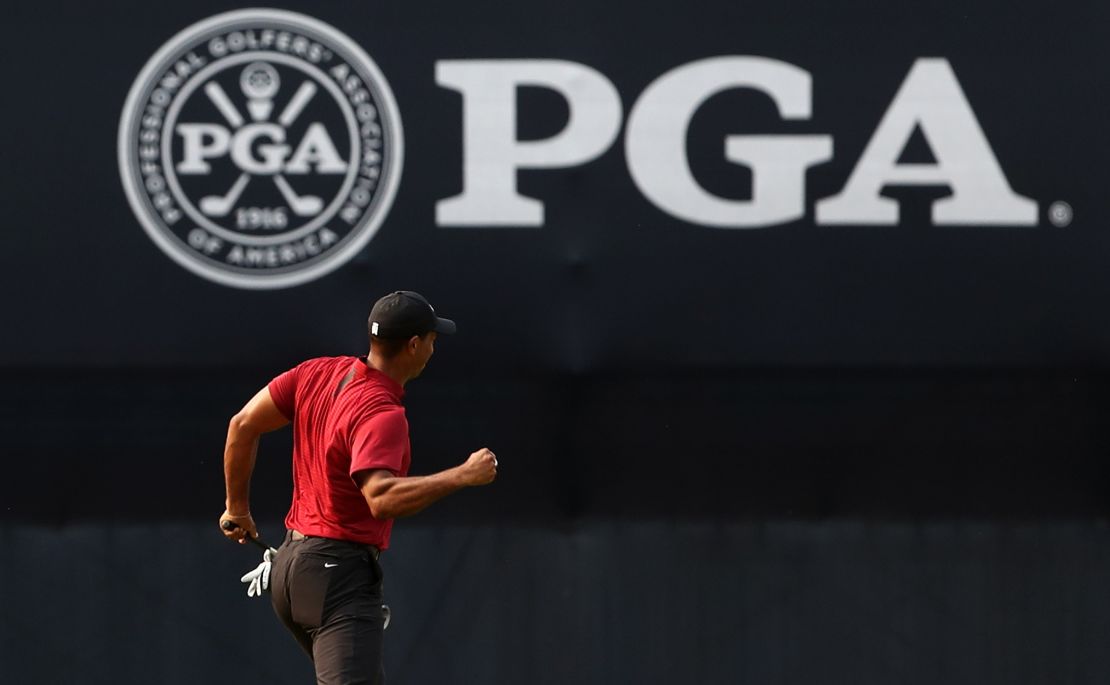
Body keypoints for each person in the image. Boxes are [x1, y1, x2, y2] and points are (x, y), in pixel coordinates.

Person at [219, 290, 498, 684]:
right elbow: (381, 498)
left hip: (291, 571)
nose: (434, 349)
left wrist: (237, 508)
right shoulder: (383, 412)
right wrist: (462, 475)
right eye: (432, 341)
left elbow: (242, 425)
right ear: (414, 345)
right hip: (336, 574)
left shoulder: (316, 372)